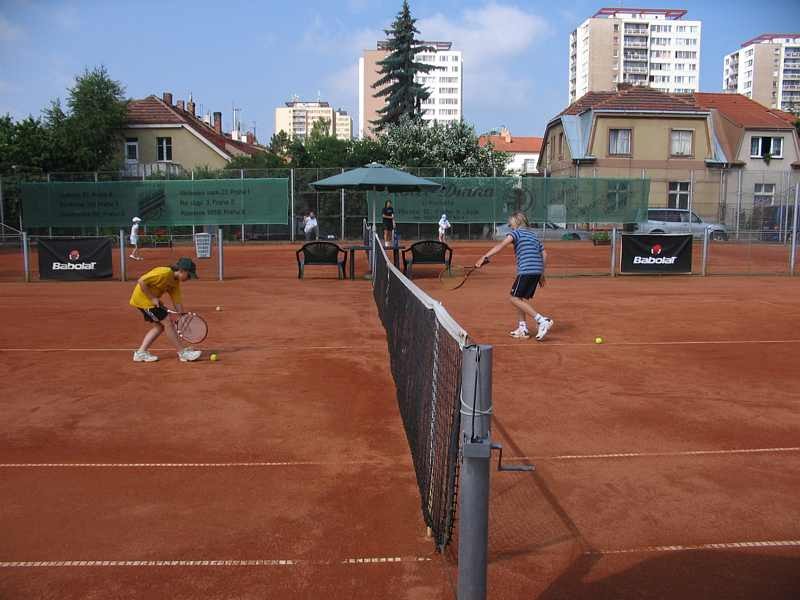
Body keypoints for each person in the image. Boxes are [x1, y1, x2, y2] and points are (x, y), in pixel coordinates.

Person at [474, 211, 553, 341]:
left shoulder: (516, 233)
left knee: (514, 298)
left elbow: (501, 245)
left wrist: (484, 257)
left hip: (526, 270)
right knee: (519, 298)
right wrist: (541, 273)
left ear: (517, 222)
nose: (510, 226)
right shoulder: (533, 235)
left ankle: (542, 320)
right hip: (536, 271)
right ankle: (523, 329)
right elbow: (544, 254)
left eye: (511, 224)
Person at [129, 257, 202, 362]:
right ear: (181, 271)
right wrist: (153, 298)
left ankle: (141, 353)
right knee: (167, 322)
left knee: (159, 327)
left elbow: (177, 301)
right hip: (143, 300)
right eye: (189, 275)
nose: (189, 278)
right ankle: (182, 353)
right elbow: (141, 281)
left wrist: (182, 316)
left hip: (150, 301)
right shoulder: (164, 273)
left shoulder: (175, 283)